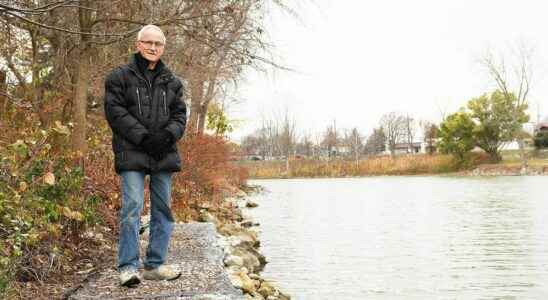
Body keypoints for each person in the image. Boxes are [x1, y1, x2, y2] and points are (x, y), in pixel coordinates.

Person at [103, 24, 187, 287]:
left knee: (163, 209)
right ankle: (128, 267)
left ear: (163, 48)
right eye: (148, 43)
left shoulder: (172, 81)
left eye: (158, 44)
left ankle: (155, 265)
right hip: (132, 152)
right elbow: (115, 112)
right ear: (138, 44)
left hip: (163, 152)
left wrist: (166, 136)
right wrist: (143, 137)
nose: (153, 48)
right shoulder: (119, 77)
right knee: (132, 208)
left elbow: (180, 116)